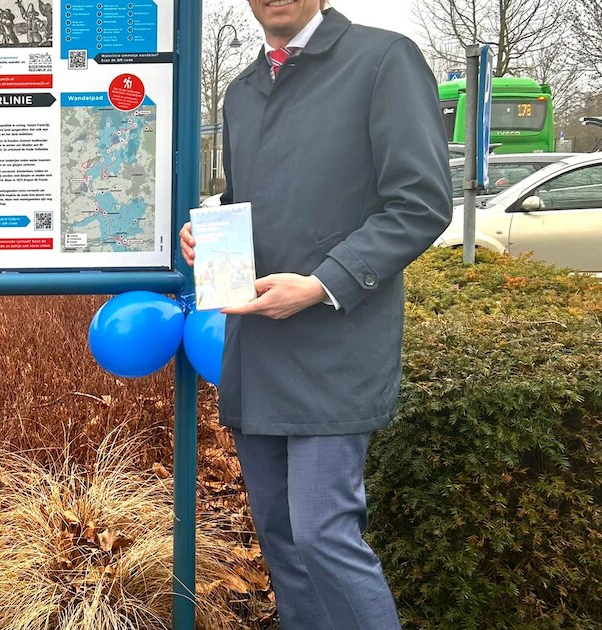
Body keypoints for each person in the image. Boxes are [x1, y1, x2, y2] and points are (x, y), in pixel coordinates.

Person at [179, 1, 451, 628]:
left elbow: (420, 201)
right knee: (282, 541)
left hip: (337, 346)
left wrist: (324, 283)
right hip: (259, 349)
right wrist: (209, 227)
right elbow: (257, 198)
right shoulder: (241, 90)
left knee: (324, 534)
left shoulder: (384, 61)